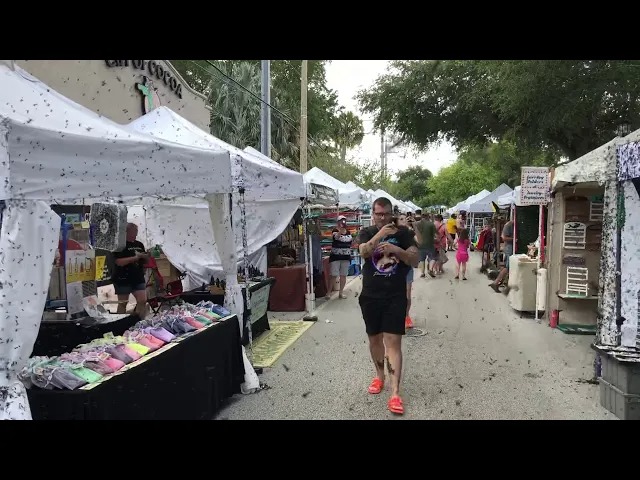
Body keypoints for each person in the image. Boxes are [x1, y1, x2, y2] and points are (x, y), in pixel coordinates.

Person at [357, 197, 419, 415]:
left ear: (391, 213)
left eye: (385, 214)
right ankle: (379, 376)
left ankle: (395, 393)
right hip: (371, 295)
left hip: (395, 296)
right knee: (375, 340)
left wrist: (396, 249)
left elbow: (415, 259)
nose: (382, 217)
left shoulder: (403, 234)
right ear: (373, 214)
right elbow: (363, 252)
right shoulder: (366, 232)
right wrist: (380, 235)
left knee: (393, 343)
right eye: (378, 214)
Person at [112, 223, 149, 317]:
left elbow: (145, 261)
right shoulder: (120, 246)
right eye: (134, 231)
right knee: (123, 303)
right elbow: (119, 262)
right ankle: (120, 322)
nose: (136, 233)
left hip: (138, 277)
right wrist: (136, 258)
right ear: (127, 232)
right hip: (123, 278)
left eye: (136, 231)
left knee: (142, 300)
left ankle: (137, 319)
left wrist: (146, 257)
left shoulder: (139, 244)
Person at [327, 215, 353, 299]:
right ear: (338, 222)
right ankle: (329, 292)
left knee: (343, 275)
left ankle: (341, 293)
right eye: (341, 221)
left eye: (344, 220)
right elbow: (336, 237)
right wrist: (340, 231)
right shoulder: (335, 231)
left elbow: (350, 242)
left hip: (346, 257)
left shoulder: (348, 232)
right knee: (333, 275)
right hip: (335, 257)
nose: (343, 222)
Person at [397, 214, 415, 328]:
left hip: (407, 267)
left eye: (405, 219)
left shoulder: (410, 233)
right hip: (394, 268)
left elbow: (420, 243)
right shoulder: (391, 234)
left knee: (407, 294)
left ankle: (406, 316)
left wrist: (415, 225)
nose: (404, 221)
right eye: (401, 219)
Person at [489, 219, 514, 293]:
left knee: (506, 266)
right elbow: (503, 237)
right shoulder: (509, 225)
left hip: (509, 248)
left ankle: (497, 283)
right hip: (509, 248)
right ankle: (496, 283)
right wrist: (514, 239)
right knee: (508, 267)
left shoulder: (511, 224)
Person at [414, 213, 437, 278]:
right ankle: (430, 269)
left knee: (422, 259)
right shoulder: (431, 224)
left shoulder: (417, 224)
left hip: (420, 244)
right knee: (433, 258)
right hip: (430, 244)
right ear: (428, 217)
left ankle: (422, 273)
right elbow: (435, 235)